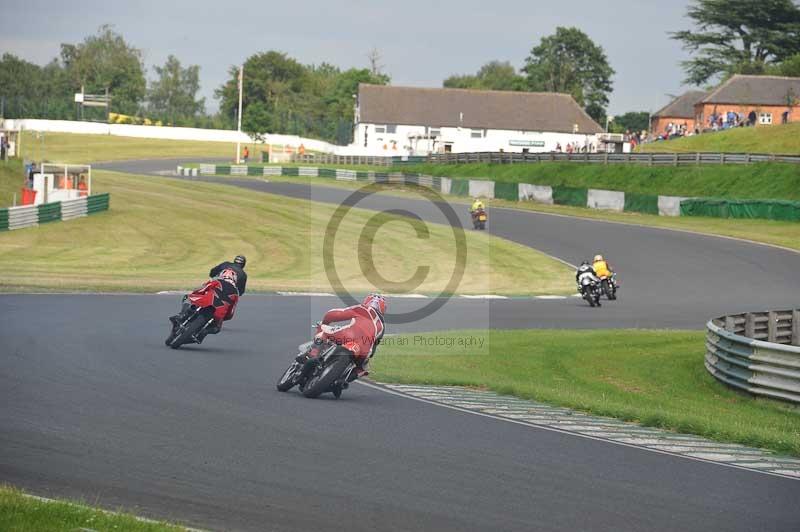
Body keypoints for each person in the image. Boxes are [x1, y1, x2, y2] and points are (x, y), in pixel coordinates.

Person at [170, 255, 248, 337]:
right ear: (243, 265)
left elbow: (211, 273)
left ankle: (182, 314)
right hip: (226, 298)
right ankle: (204, 331)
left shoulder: (224, 267)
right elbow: (240, 292)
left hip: (213, 287)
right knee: (217, 327)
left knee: (189, 296)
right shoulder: (242, 277)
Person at [315, 293, 386, 381]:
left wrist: (325, 322)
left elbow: (335, 314)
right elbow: (373, 348)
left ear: (367, 301)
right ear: (383, 308)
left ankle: (314, 353)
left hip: (346, 335)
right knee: (362, 370)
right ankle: (343, 381)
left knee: (323, 330)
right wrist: (368, 356)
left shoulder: (361, 308)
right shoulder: (382, 326)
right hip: (364, 350)